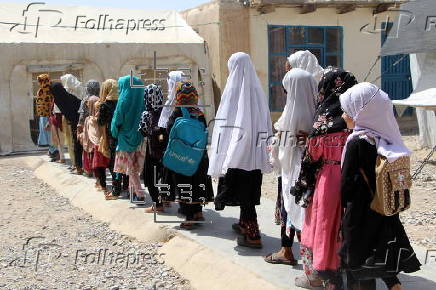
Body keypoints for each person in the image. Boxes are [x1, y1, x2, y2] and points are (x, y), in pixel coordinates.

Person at [339, 82, 421, 290]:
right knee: (379, 253)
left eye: (348, 110)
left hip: (359, 214)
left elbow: (346, 188)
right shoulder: (389, 139)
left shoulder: (357, 142)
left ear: (362, 112)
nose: (344, 115)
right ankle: (393, 284)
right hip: (384, 210)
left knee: (359, 265)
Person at [293, 68, 358, 289]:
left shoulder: (323, 124)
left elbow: (310, 159)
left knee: (326, 228)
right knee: (348, 225)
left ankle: (328, 279)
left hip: (328, 182)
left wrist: (302, 186)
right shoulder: (358, 119)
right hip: (357, 181)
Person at [209, 52, 272, 248]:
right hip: (253, 153)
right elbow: (266, 122)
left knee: (245, 195)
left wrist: (223, 154)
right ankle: (245, 224)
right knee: (249, 192)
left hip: (237, 155)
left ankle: (253, 235)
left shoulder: (232, 91)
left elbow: (224, 125)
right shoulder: (257, 92)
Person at [266, 68, 317, 265]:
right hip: (314, 169)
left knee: (293, 208)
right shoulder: (320, 109)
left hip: (294, 168)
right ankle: (312, 257)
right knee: (308, 211)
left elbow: (283, 144)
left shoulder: (292, 111)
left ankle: (299, 257)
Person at [164, 82, 214, 228]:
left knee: (184, 184)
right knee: (198, 183)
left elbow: (169, 130)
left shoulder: (178, 112)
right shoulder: (199, 113)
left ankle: (189, 217)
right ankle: (198, 212)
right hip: (199, 156)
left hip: (183, 157)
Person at [111, 75, 145, 201]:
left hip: (125, 136)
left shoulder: (124, 99)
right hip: (138, 135)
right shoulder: (142, 98)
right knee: (134, 165)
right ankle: (134, 192)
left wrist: (114, 131)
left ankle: (139, 193)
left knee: (130, 167)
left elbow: (117, 119)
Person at [97, 79, 129, 199]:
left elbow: (101, 122)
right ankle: (126, 185)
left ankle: (116, 190)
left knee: (113, 163)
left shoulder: (105, 105)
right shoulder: (123, 102)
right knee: (125, 159)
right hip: (124, 136)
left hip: (112, 136)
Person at [139, 84, 167, 212]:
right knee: (164, 175)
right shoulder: (166, 111)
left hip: (152, 151)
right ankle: (166, 199)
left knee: (150, 178)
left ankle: (158, 204)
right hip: (166, 150)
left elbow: (143, 131)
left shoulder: (146, 114)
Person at [49, 81, 83, 174]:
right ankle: (81, 166)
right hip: (79, 120)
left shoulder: (58, 100)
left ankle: (79, 167)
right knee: (79, 145)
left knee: (77, 145)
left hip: (76, 122)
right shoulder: (66, 96)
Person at [60, 74, 83, 171]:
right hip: (80, 118)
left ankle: (76, 163)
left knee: (72, 141)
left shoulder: (66, 92)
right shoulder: (79, 88)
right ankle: (79, 164)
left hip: (72, 119)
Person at [78, 80, 100, 177]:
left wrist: (79, 127)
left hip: (88, 125)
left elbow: (82, 115)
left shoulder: (86, 100)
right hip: (98, 125)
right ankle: (97, 169)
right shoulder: (99, 99)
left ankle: (88, 169)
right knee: (96, 147)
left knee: (87, 147)